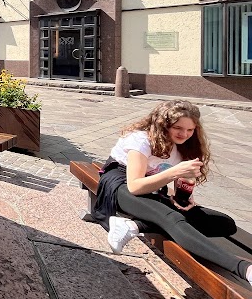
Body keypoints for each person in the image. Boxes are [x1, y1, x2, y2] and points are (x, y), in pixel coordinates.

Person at [95, 100, 252, 287]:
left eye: (190, 130)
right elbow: (135, 186)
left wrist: (184, 197)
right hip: (120, 186)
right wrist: (175, 172)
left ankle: (135, 226)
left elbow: (179, 182)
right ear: (164, 124)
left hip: (153, 189)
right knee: (173, 219)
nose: (184, 134)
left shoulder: (184, 147)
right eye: (178, 128)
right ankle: (244, 269)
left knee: (225, 224)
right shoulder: (141, 140)